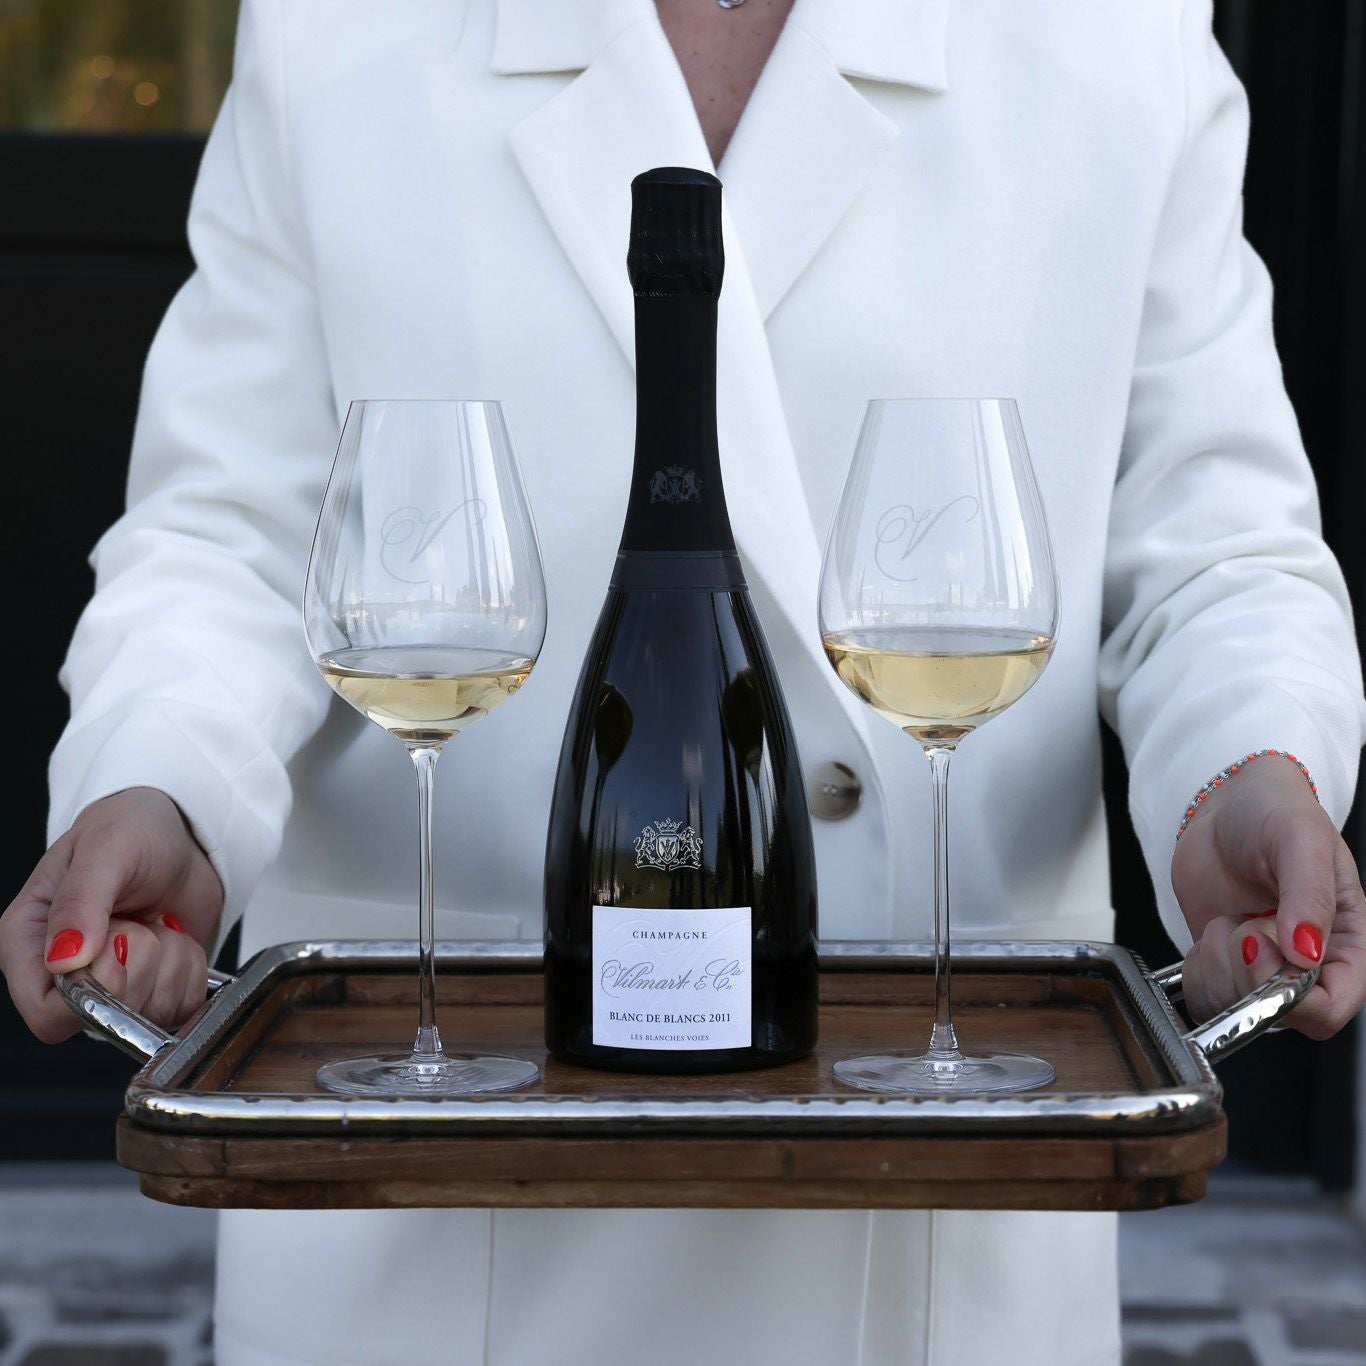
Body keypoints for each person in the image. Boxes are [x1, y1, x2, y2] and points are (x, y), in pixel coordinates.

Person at [3, 0, 1364, 1361]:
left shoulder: (1116, 34)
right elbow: (227, 534)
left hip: (937, 1201)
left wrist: (1245, 769)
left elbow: (1213, 550)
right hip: (436, 1207)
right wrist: (166, 779)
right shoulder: (335, 29)